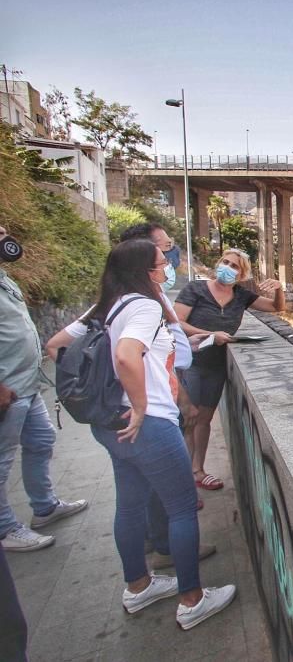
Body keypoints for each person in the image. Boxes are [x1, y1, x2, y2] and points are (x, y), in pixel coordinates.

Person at [47, 239, 235, 628]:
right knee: (181, 508)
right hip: (147, 425)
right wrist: (140, 404)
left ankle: (138, 587)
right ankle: (192, 599)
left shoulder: (106, 307)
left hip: (110, 424)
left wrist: (106, 395)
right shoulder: (146, 306)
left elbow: (56, 347)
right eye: (161, 262)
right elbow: (126, 354)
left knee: (130, 506)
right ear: (143, 271)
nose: (166, 266)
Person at [0, 224, 88, 553]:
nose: (5, 235)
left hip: (27, 382)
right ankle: (5, 528)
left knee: (41, 440)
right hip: (6, 389)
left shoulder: (5, 280)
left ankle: (45, 506)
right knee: (2, 460)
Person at [174, 249, 284, 490]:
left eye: (234, 265)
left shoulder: (241, 296)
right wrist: (210, 334)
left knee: (204, 419)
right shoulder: (196, 289)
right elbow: (177, 322)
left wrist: (278, 288)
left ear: (242, 273)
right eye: (225, 262)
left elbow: (276, 308)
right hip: (190, 362)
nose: (227, 267)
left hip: (216, 365)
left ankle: (197, 470)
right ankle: (182, 478)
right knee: (188, 418)